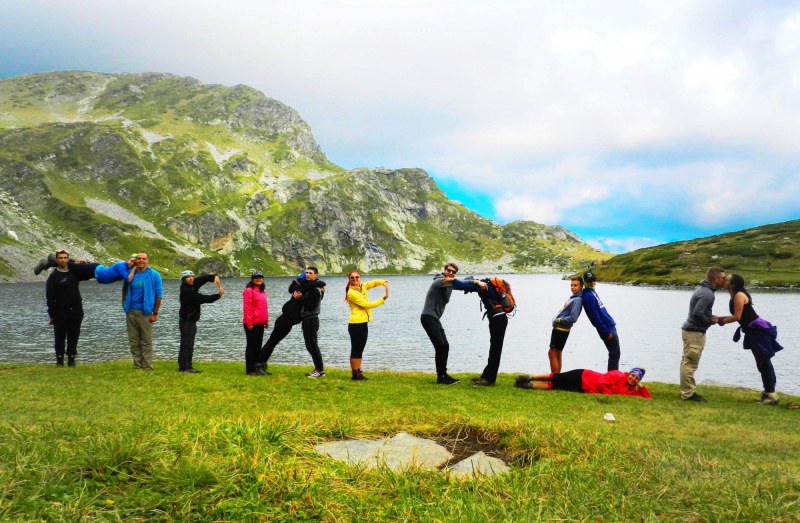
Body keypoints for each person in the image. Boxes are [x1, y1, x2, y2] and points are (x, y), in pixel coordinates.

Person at [716, 274, 784, 405]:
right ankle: (770, 393)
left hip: (758, 332)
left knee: (764, 362)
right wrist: (718, 318)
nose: (724, 280)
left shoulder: (739, 295)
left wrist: (721, 321)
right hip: (753, 332)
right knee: (762, 362)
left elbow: (737, 317)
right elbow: (740, 317)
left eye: (727, 279)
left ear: (733, 284)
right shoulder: (735, 295)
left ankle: (771, 395)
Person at [260, 267, 327, 378]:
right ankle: (259, 364)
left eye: (310, 273)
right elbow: (294, 288)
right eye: (306, 273)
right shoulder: (304, 287)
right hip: (285, 320)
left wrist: (302, 297)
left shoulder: (314, 289)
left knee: (311, 345)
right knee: (272, 342)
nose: (307, 274)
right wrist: (316, 284)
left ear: (316, 275)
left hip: (307, 320)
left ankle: (319, 370)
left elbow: (312, 303)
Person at [448, 276, 509, 386]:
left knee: (495, 349)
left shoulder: (482, 285)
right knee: (494, 348)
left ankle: (489, 380)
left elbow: (461, 285)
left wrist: (450, 279)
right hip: (497, 317)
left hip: (498, 318)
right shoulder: (487, 284)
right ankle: (485, 376)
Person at [680, 267, 726, 402]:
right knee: (690, 363)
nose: (724, 280)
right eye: (723, 278)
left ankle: (685, 391)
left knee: (686, 362)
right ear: (715, 279)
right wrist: (709, 321)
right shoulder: (708, 294)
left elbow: (699, 311)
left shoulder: (704, 291)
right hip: (694, 332)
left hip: (691, 330)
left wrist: (709, 316)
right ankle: (688, 394)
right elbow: (697, 313)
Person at [420, 262, 462, 385]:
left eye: (454, 272)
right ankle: (441, 377)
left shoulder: (449, 283)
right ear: (444, 270)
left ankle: (443, 375)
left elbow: (461, 284)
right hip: (428, 317)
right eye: (449, 270)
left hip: (434, 319)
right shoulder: (440, 281)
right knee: (440, 346)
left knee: (445, 345)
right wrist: (476, 283)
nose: (451, 273)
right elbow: (462, 284)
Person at [122, 252, 163, 370]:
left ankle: (148, 366)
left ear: (147, 261)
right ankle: (137, 365)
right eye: (139, 258)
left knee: (146, 341)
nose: (141, 260)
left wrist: (155, 313)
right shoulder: (130, 274)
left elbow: (158, 296)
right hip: (131, 311)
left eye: (143, 259)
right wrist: (124, 305)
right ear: (136, 261)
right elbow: (124, 289)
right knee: (133, 341)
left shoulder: (154, 275)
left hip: (146, 312)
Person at [345, 270, 389, 381]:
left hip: (363, 323)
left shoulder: (361, 286)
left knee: (360, 349)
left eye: (357, 277)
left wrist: (383, 282)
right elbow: (366, 305)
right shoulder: (351, 292)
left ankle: (358, 372)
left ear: (359, 278)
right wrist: (382, 300)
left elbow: (372, 283)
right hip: (356, 324)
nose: (355, 279)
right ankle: (355, 374)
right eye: (352, 278)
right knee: (356, 349)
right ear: (349, 280)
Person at [178, 270, 224, 373]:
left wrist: (214, 277)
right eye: (188, 277)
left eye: (192, 276)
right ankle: (184, 367)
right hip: (187, 321)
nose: (191, 278)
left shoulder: (192, 285)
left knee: (189, 344)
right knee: (186, 344)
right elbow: (202, 298)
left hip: (191, 321)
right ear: (183, 280)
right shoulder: (187, 290)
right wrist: (218, 295)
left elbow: (202, 279)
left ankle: (188, 366)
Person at [45, 249, 84, 367]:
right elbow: (50, 298)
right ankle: (59, 360)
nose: (63, 260)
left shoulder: (74, 272)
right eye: (60, 258)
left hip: (76, 310)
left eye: (65, 257)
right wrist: (52, 315)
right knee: (60, 336)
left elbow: (87, 271)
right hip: (60, 311)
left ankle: (71, 359)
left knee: (74, 335)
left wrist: (81, 262)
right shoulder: (53, 276)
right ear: (56, 260)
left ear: (68, 259)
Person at [514, 367, 652, 398]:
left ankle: (528, 386)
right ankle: (529, 378)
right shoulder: (618, 374)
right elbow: (602, 383)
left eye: (636, 379)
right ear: (630, 373)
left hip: (584, 389)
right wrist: (609, 395)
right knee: (557, 377)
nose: (633, 379)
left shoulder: (632, 390)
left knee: (556, 387)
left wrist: (642, 387)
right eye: (633, 376)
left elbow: (647, 398)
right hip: (584, 376)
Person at [581, 271, 620, 371]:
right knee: (614, 354)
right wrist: (605, 331)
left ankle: (612, 377)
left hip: (609, 326)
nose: (592, 282)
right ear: (585, 282)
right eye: (589, 280)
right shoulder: (588, 296)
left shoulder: (591, 292)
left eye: (594, 280)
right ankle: (612, 378)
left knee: (615, 354)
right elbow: (595, 317)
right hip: (607, 328)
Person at [548, 277, 584, 373]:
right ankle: (558, 378)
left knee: (552, 353)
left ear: (581, 287)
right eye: (571, 285)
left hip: (561, 328)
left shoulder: (577, 299)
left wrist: (559, 320)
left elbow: (573, 318)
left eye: (575, 285)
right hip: (562, 328)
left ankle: (554, 378)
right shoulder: (574, 297)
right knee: (558, 352)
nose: (572, 287)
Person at [35, 253, 137, 283]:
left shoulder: (129, 269)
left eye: (134, 263)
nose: (132, 264)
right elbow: (128, 279)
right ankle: (48, 262)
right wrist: (135, 268)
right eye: (131, 261)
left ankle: (52, 259)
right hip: (93, 269)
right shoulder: (122, 265)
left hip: (93, 274)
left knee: (73, 275)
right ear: (128, 259)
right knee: (69, 265)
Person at [242, 271, 269, 375]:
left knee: (258, 346)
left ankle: (257, 368)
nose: (259, 279)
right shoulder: (249, 291)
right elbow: (247, 308)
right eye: (256, 277)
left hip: (260, 323)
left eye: (260, 277)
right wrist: (249, 323)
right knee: (251, 346)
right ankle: (250, 370)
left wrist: (266, 321)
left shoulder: (263, 291)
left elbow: (264, 308)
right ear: (252, 279)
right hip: (251, 324)